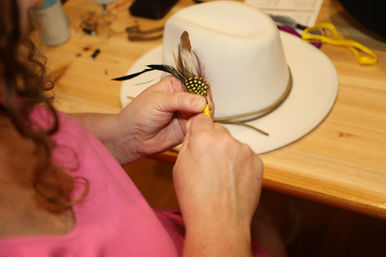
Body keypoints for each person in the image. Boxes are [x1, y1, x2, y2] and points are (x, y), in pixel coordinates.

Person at [0, 0, 287, 257]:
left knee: (268, 236)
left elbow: (45, 128)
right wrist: (221, 227)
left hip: (156, 228)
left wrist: (120, 135)